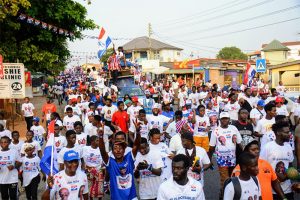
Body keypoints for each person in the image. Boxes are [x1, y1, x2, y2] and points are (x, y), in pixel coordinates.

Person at [98, 117, 141, 200]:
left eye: (120, 148)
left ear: (124, 150)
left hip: (132, 197)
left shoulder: (129, 157)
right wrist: (100, 136)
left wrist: (138, 132)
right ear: (112, 151)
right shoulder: (110, 162)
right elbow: (102, 150)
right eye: (115, 148)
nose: (118, 151)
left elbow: (136, 145)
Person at [208, 112, 243, 198]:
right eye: (223, 119)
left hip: (233, 159)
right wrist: (209, 159)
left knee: (233, 178)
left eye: (226, 118)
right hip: (221, 159)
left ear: (229, 120)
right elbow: (212, 147)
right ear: (220, 120)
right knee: (225, 180)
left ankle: (230, 195)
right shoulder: (215, 131)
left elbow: (239, 143)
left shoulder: (233, 128)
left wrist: (245, 154)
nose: (224, 120)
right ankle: (223, 196)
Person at [260, 121, 295, 199]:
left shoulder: (288, 146)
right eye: (286, 132)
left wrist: (292, 178)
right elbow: (261, 167)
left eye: (289, 132)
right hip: (272, 191)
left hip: (288, 189)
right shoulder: (268, 147)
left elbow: (290, 166)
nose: (289, 134)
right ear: (278, 133)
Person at [82, 135, 104, 199]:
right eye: (97, 140)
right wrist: (83, 167)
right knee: (90, 188)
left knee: (100, 188)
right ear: (92, 141)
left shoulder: (101, 149)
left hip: (98, 170)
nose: (99, 142)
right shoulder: (85, 148)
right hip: (88, 170)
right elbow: (81, 158)